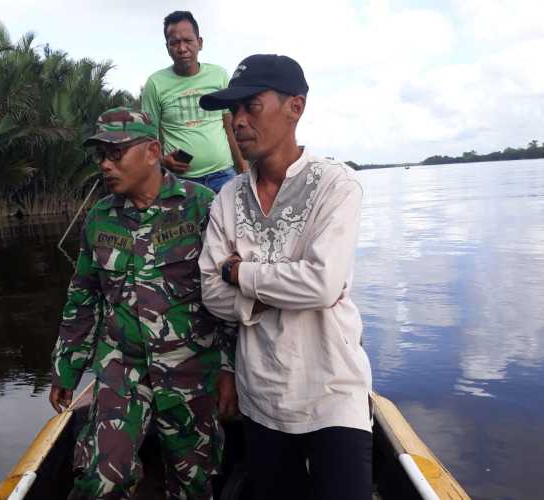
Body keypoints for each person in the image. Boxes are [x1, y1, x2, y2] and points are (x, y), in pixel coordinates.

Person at [198, 55, 373, 500]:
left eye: (250, 106)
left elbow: (322, 284)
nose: (237, 120)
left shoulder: (336, 186)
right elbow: (212, 293)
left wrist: (242, 272)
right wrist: (279, 288)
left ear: (295, 107)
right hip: (262, 396)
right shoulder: (227, 199)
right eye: (232, 111)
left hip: (332, 389)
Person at [49, 107, 237, 500]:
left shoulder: (202, 206)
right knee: (100, 479)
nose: (104, 164)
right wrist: (66, 369)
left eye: (115, 153)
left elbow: (228, 299)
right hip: (123, 367)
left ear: (152, 151)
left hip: (191, 369)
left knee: (194, 485)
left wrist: (229, 368)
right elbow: (83, 296)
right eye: (99, 154)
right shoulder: (100, 218)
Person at [141, 10, 247, 193]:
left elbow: (229, 126)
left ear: (199, 43)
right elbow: (147, 138)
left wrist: (244, 167)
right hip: (180, 181)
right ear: (167, 47)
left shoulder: (219, 75)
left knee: (228, 222)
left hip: (223, 176)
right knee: (181, 224)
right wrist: (162, 161)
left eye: (188, 41)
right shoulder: (155, 84)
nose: (182, 48)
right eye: (174, 42)